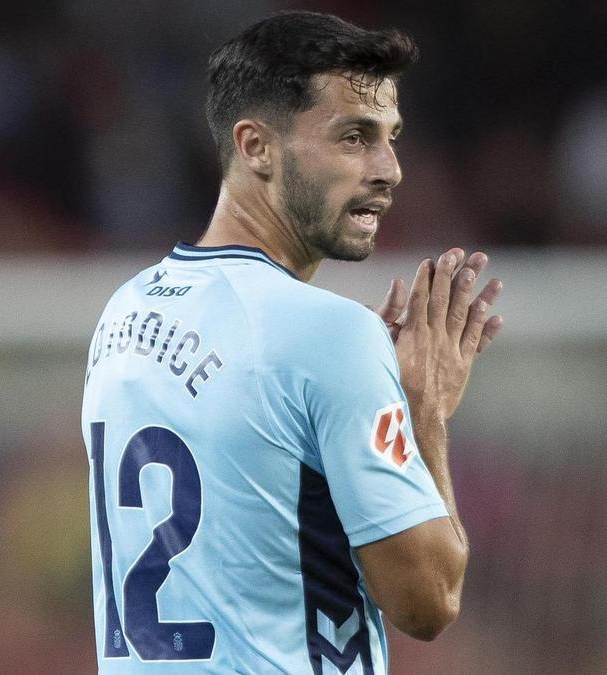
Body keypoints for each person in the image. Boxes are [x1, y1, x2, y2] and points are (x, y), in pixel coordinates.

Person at [80, 11, 502, 673]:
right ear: (256, 147)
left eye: (391, 139)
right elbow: (429, 600)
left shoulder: (123, 312)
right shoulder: (330, 333)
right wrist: (425, 412)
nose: (388, 168)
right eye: (354, 137)